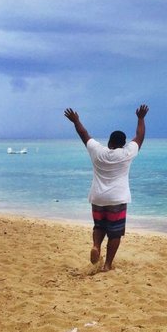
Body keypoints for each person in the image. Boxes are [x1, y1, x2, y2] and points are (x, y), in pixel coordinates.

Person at [64, 105, 149, 271]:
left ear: (109, 142)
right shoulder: (126, 153)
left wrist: (76, 121)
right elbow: (140, 136)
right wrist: (140, 118)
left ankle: (96, 245)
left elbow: (84, 134)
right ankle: (107, 265)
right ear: (124, 144)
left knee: (99, 226)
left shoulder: (97, 151)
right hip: (117, 199)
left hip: (97, 197)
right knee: (115, 233)